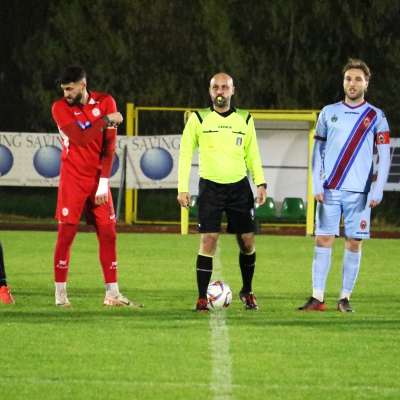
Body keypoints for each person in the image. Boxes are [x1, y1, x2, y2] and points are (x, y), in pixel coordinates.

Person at [298, 58, 391, 312]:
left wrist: (378, 188)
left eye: (358, 79)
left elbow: (384, 156)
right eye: (348, 78)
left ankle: (344, 298)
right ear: (343, 82)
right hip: (329, 189)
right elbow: (317, 151)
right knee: (323, 240)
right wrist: (316, 183)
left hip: (359, 193)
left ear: (366, 83)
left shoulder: (376, 116)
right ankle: (317, 297)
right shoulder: (328, 112)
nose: (352, 83)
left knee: (354, 242)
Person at [51, 65, 142, 308]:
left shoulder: (106, 101)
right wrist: (104, 120)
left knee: (108, 233)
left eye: (70, 89)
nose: (66, 94)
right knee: (66, 235)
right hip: (72, 179)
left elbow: (108, 146)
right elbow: (80, 139)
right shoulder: (59, 108)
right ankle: (60, 296)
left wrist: (103, 182)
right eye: (64, 90)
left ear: (82, 85)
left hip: (97, 181)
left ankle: (112, 294)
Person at [177, 72, 267, 312]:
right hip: (210, 188)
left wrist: (261, 183)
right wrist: (182, 188)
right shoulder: (198, 118)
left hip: (239, 188)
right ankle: (201, 297)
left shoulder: (245, 119)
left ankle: (247, 291)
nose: (220, 91)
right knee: (208, 240)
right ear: (210, 91)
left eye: (224, 87)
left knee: (247, 241)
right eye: (216, 87)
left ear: (232, 90)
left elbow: (253, 154)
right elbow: (185, 153)